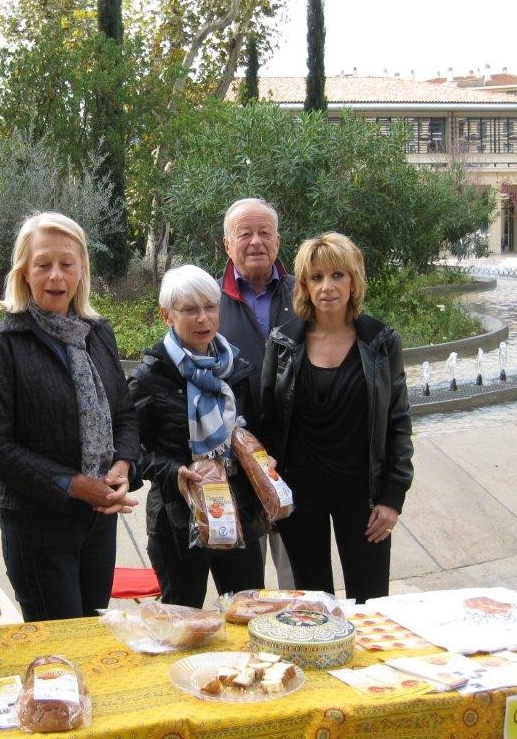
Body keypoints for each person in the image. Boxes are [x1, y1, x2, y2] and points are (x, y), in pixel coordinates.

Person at [0, 212, 140, 622]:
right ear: (23, 272)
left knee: (93, 633)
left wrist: (122, 464)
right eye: (43, 264)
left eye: (66, 264)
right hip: (37, 525)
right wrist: (74, 484)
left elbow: (125, 414)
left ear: (82, 270)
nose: (56, 275)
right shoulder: (0, 344)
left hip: (99, 521)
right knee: (59, 643)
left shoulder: (99, 333)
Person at [261, 232, 413, 604]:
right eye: (316, 277)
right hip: (300, 497)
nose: (327, 286)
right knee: (313, 607)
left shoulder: (380, 342)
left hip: (363, 494)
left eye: (337, 275)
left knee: (371, 604)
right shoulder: (283, 343)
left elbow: (398, 422)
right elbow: (267, 424)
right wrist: (268, 496)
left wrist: (393, 497)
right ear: (304, 285)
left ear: (353, 281)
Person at [128, 265, 266, 608]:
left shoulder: (234, 366)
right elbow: (128, 449)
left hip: (235, 508)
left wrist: (259, 458)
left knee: (247, 609)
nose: (203, 318)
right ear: (167, 315)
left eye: (210, 307)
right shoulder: (151, 376)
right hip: (177, 517)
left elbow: (252, 428)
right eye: (190, 310)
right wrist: (173, 470)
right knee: (184, 618)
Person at [217, 197, 296, 589]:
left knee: (300, 585)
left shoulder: (304, 295)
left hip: (296, 463)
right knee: (244, 591)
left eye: (265, 232)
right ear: (227, 244)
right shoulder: (209, 302)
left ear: (277, 241)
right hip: (235, 468)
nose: (255, 241)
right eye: (244, 233)